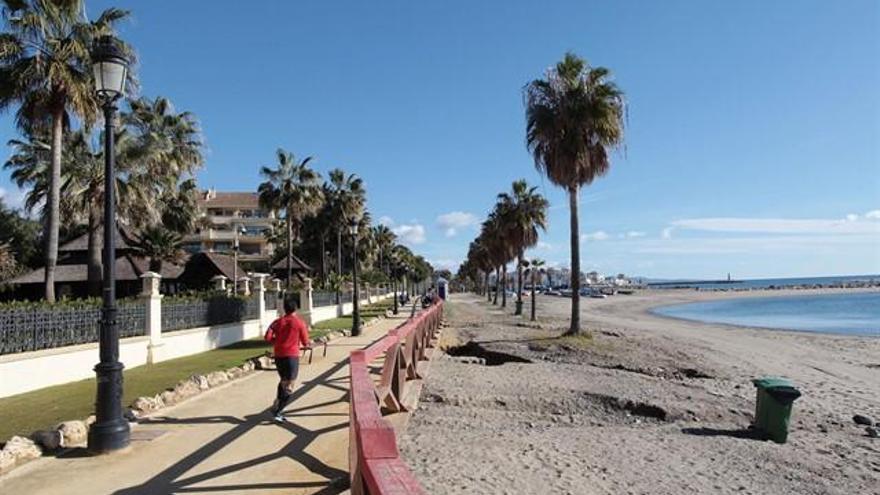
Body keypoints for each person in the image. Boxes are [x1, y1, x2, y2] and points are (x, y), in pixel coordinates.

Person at [264, 294, 311, 422]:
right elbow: (306, 342)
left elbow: (267, 337)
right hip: (291, 356)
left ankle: (277, 402)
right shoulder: (299, 323)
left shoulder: (277, 322)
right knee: (289, 385)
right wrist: (307, 345)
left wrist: (277, 340)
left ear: (284, 309)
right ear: (296, 309)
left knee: (283, 380)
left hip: (279, 356)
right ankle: (277, 411)